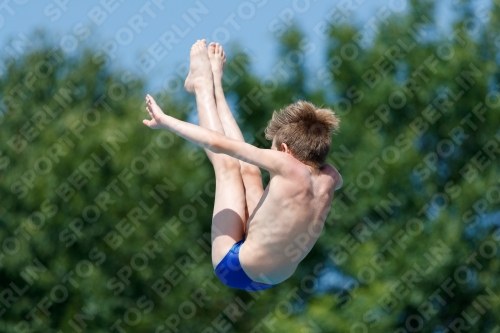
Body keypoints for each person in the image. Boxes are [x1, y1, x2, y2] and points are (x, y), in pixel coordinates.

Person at [142, 39, 342, 292]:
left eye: (273, 148)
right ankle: (215, 84)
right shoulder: (330, 177)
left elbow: (219, 143)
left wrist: (167, 121)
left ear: (284, 151)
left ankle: (202, 85)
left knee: (227, 166)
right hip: (268, 276)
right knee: (250, 170)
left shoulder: (287, 165)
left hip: (233, 265)